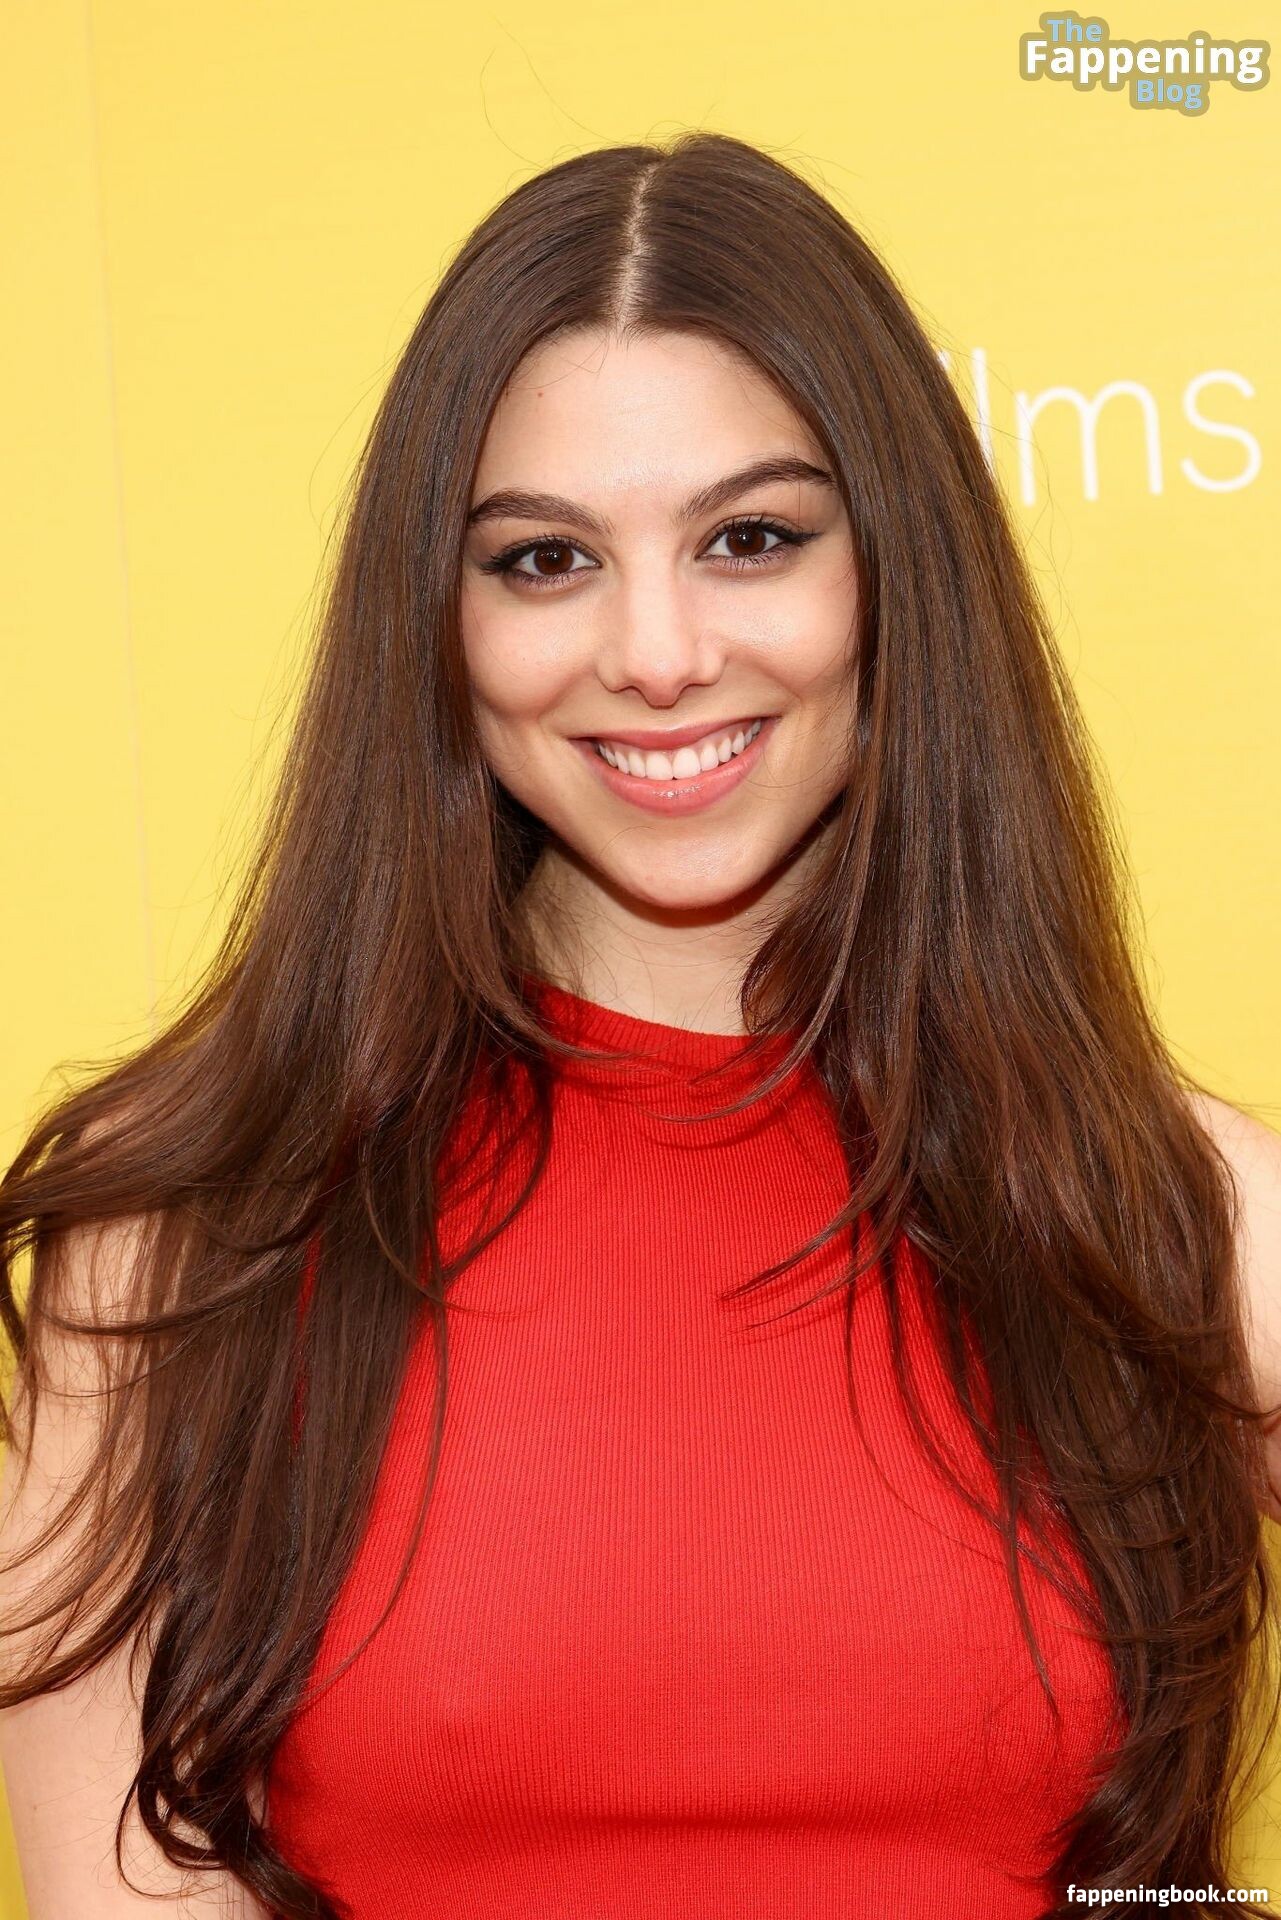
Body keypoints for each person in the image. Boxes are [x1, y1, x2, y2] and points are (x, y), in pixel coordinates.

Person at [1, 129, 1280, 1920]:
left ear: (891, 572)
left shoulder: (1170, 1213)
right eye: (544, 560)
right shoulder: (181, 1241)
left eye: (751, 538)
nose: (658, 652)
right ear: (436, 620)